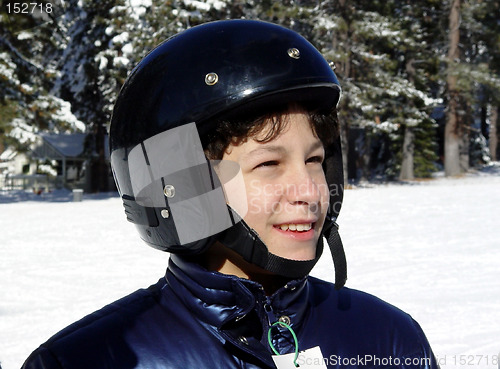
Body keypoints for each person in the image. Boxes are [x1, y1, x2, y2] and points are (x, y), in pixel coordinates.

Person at [22, 20, 438, 369]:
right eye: (269, 165)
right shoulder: (90, 360)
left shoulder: (389, 339)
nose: (310, 191)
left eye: (314, 160)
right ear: (183, 188)